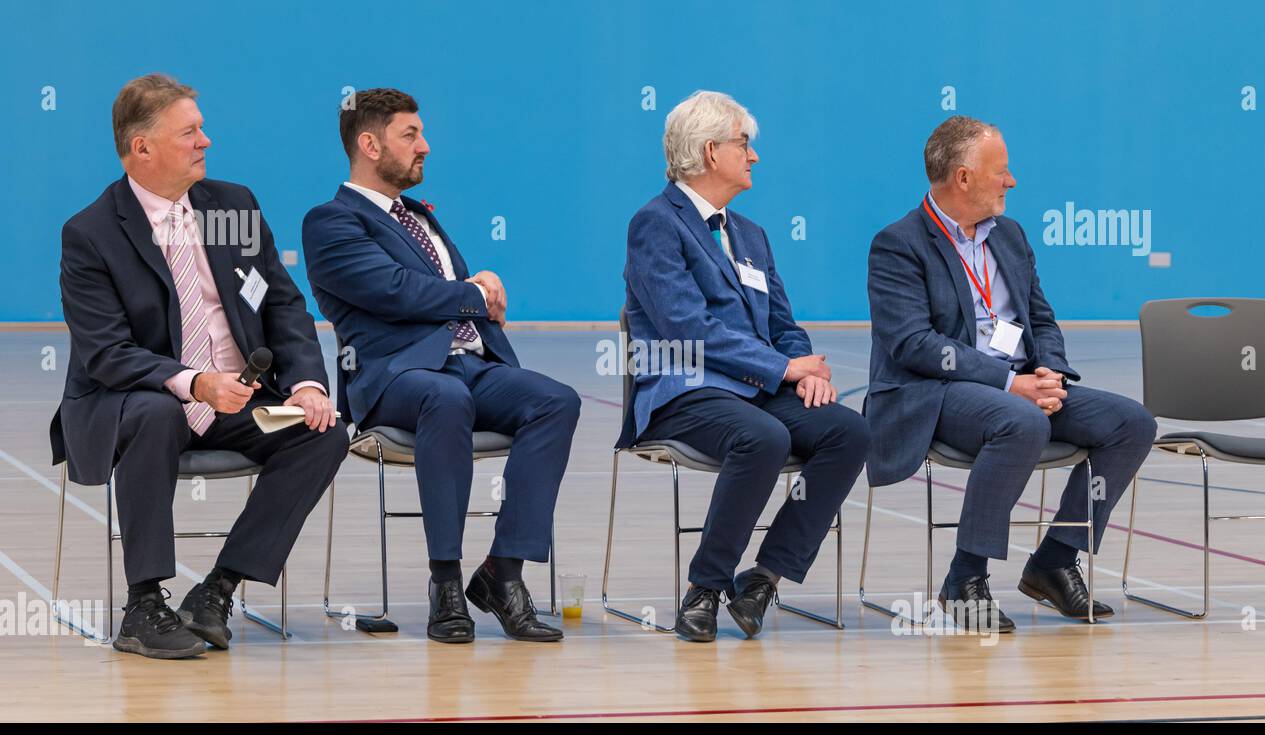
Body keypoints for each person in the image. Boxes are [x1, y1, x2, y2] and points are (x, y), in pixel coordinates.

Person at [52, 74, 348, 659]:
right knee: (160, 412)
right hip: (133, 400)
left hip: (239, 403)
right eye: (189, 132)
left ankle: (217, 590)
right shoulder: (90, 234)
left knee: (322, 433)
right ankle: (143, 605)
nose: (205, 142)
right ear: (142, 148)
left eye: (201, 129)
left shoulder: (230, 206)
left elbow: (282, 302)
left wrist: (308, 385)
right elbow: (108, 353)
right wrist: (196, 384)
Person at [302, 88, 579, 644]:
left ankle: (503, 573)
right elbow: (396, 292)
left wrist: (477, 288)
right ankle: (446, 583)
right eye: (411, 135)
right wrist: (476, 291)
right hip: (394, 377)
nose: (424, 146)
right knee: (445, 399)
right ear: (369, 144)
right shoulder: (330, 221)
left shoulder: (421, 217)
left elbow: (441, 291)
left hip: (470, 365)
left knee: (557, 400)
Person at [865, 115, 1156, 631]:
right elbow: (914, 344)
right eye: (1001, 171)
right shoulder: (898, 244)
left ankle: (1056, 559)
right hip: (936, 392)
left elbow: (1039, 316)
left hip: (1019, 386)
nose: (1011, 180)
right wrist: (1010, 384)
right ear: (962, 178)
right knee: (1020, 422)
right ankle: (964, 578)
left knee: (1131, 423)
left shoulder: (1010, 236)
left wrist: (1049, 373)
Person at [621, 91, 869, 643]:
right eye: (744, 143)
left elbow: (784, 322)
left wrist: (804, 368)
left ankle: (763, 577)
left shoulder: (751, 234)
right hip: (684, 392)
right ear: (711, 152)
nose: (753, 156)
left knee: (848, 431)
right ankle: (705, 589)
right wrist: (785, 368)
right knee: (763, 437)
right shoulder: (656, 224)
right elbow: (688, 330)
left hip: (755, 386)